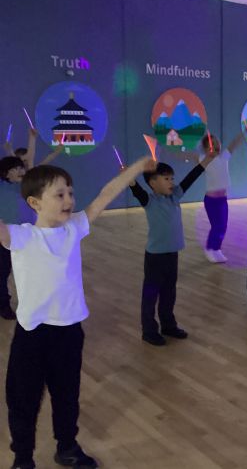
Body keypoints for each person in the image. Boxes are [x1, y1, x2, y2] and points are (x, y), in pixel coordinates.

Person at [0, 156, 155, 469]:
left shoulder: (74, 227)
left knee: (67, 395)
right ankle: (23, 457)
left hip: (69, 331)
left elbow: (105, 195)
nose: (69, 200)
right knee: (23, 399)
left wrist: (138, 168)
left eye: (70, 192)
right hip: (33, 335)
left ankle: (67, 447)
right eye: (59, 194)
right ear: (34, 203)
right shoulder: (22, 236)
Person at [129, 151, 216, 346]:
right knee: (151, 294)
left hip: (172, 255)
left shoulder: (175, 196)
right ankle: (149, 331)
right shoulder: (150, 201)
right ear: (153, 183)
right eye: (166, 179)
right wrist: (130, 177)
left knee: (169, 292)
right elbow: (136, 190)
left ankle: (168, 325)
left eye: (172, 178)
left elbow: (191, 178)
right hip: (155, 258)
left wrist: (207, 161)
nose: (171, 182)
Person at [198, 131, 245, 263]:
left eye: (217, 143)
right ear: (206, 149)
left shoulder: (224, 157)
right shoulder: (204, 160)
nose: (216, 146)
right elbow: (191, 155)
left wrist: (243, 133)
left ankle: (217, 249)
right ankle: (209, 249)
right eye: (212, 144)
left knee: (223, 226)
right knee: (216, 226)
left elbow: (234, 144)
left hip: (222, 200)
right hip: (211, 201)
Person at [0, 156, 26, 320]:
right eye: (16, 168)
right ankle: (3, 305)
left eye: (21, 167)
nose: (20, 171)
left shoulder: (20, 188)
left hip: (18, 236)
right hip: (3, 237)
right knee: (2, 272)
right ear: (6, 173)